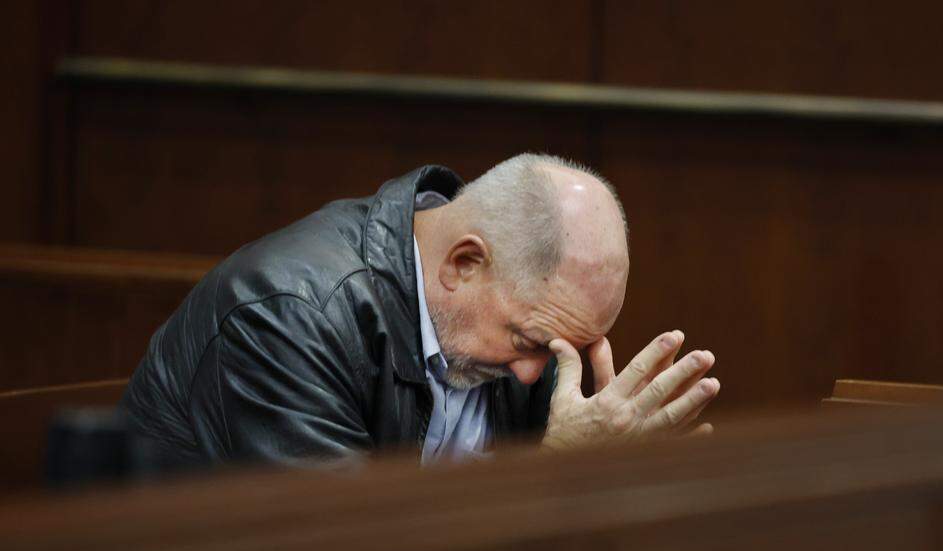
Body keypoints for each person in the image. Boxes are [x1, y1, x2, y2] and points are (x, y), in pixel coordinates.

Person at [120, 154, 720, 468]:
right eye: (531, 342)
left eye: (568, 351)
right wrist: (551, 471)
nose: (536, 376)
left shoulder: (515, 323)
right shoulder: (288, 317)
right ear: (463, 263)